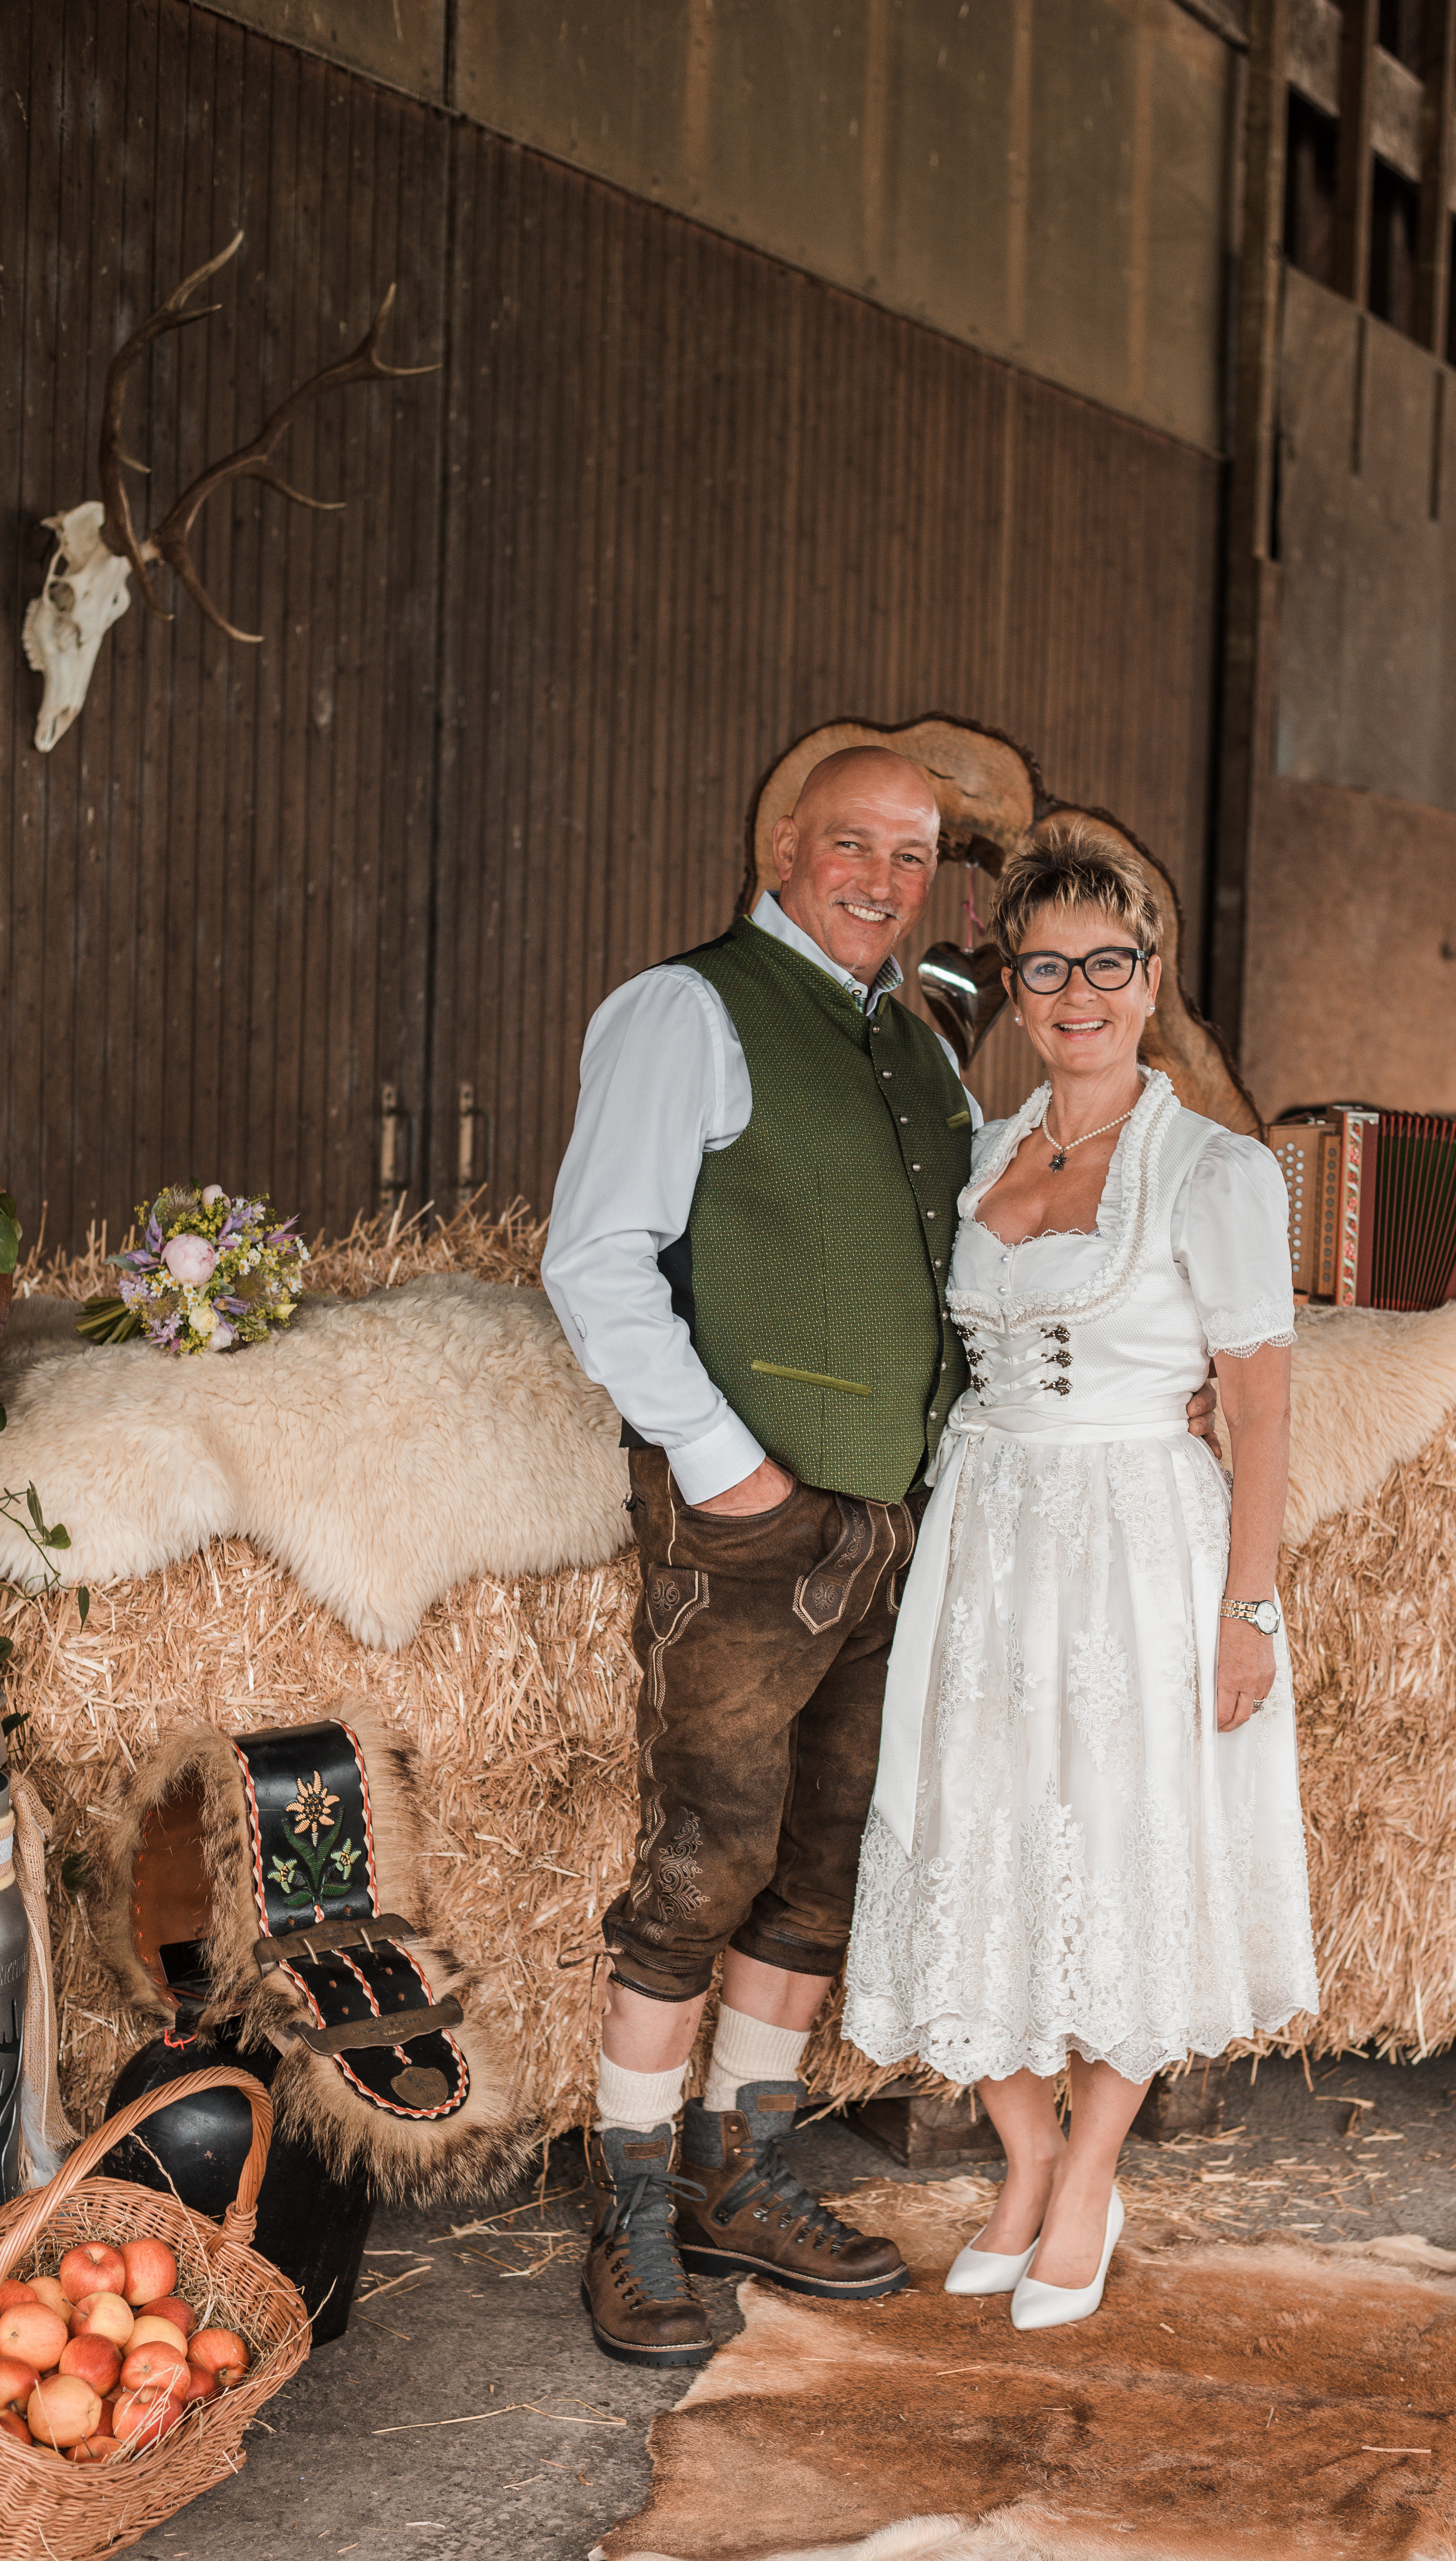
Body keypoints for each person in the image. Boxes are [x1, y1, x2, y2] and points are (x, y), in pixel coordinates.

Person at [842, 821, 1318, 2331]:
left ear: (1150, 976)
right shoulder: (988, 1152)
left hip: (1135, 1541)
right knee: (967, 1827)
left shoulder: (1213, 1169)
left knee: (1124, 1844)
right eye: (1043, 967)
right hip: (990, 1534)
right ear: (1012, 983)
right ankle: (1025, 2153)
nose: (1077, 994)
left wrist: (1252, 1609)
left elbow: (1256, 1402)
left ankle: (1093, 2171)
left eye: (1106, 964)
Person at [542, 746, 979, 2367]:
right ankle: (636, 2199)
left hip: (893, 1518)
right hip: (755, 1521)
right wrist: (726, 1467)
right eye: (851, 842)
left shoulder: (920, 1046)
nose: (882, 875)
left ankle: (744, 2164)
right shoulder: (689, 1009)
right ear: (782, 845)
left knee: (824, 1859)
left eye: (914, 853)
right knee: (705, 1854)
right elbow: (593, 1256)